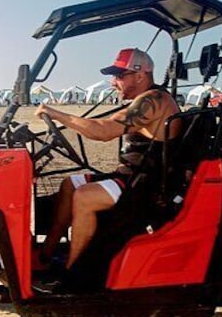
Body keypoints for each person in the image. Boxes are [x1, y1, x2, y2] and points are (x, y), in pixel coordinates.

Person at [34, 47, 182, 274]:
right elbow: (108, 124)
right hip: (132, 175)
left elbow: (104, 131)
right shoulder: (146, 99)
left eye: (119, 76)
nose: (113, 82)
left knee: (85, 196)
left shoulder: (155, 100)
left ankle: (75, 275)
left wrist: (57, 114)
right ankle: (45, 255)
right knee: (70, 185)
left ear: (141, 75)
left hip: (145, 184)